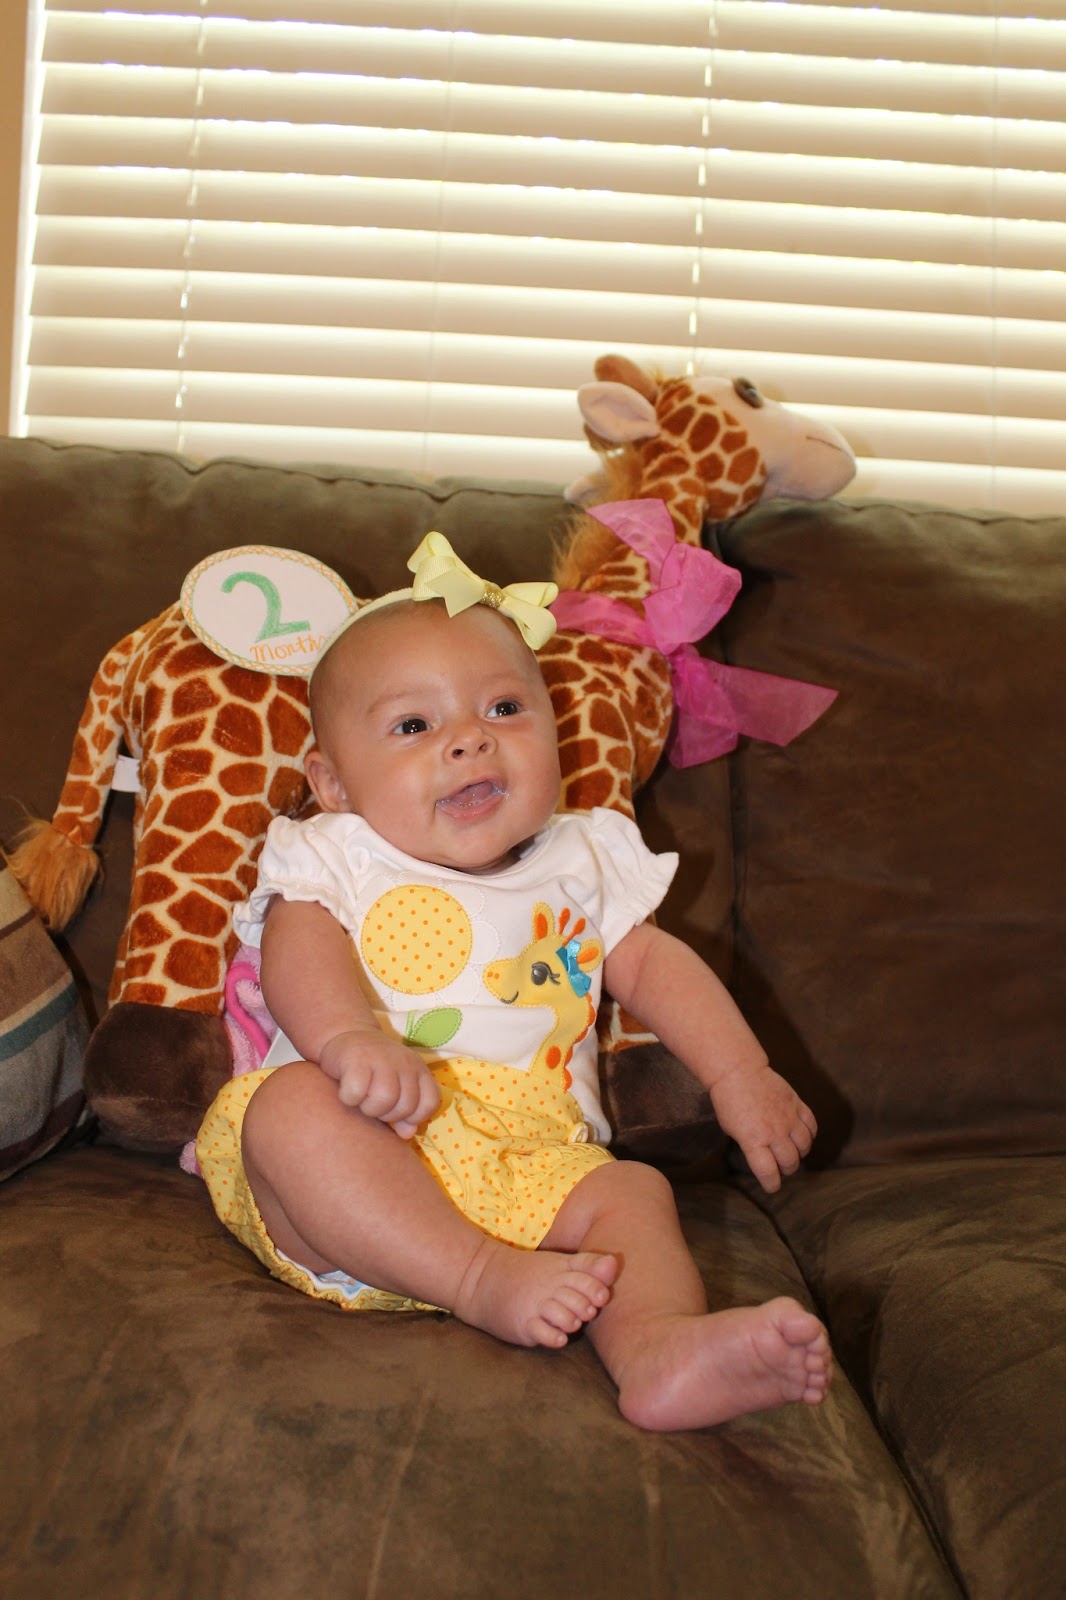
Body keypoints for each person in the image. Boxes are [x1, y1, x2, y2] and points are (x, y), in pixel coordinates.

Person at [196, 533, 831, 1432]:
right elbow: (298, 951)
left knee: (634, 1196)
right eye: (414, 726)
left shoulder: (583, 857)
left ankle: (659, 1350)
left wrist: (740, 1074)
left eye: (503, 707)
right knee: (290, 1112)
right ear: (332, 784)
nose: (470, 740)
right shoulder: (338, 854)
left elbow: (654, 966)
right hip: (367, 1155)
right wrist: (350, 1043)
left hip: (533, 1165)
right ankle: (476, 1278)